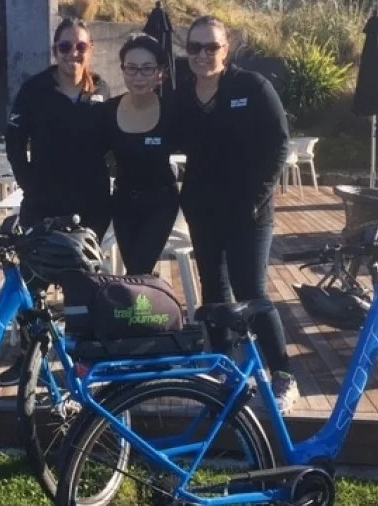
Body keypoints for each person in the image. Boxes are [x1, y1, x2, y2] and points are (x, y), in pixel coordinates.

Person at [175, 16, 298, 412]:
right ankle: (225, 369)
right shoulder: (183, 95)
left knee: (253, 294)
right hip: (204, 211)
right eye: (194, 47)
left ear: (226, 50)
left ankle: (283, 375)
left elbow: (280, 144)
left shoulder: (252, 86)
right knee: (213, 295)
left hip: (250, 213)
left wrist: (259, 195)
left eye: (211, 47)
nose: (202, 55)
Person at [0, 18, 112, 386]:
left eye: (80, 46)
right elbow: (14, 142)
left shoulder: (103, 90)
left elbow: (117, 139)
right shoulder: (34, 90)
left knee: (85, 286)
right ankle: (29, 359)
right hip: (43, 205)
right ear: (55, 50)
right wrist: (30, 183)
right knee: (32, 285)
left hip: (91, 204)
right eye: (65, 46)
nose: (72, 53)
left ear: (90, 49)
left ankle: (82, 360)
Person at [100, 34, 179, 275]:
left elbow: (205, 151)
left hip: (160, 202)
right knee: (134, 270)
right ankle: (138, 308)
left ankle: (145, 307)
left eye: (147, 69)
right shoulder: (107, 111)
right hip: (122, 202)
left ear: (160, 73)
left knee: (138, 269)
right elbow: (85, 153)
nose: (138, 77)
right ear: (122, 70)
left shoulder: (173, 112)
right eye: (131, 68)